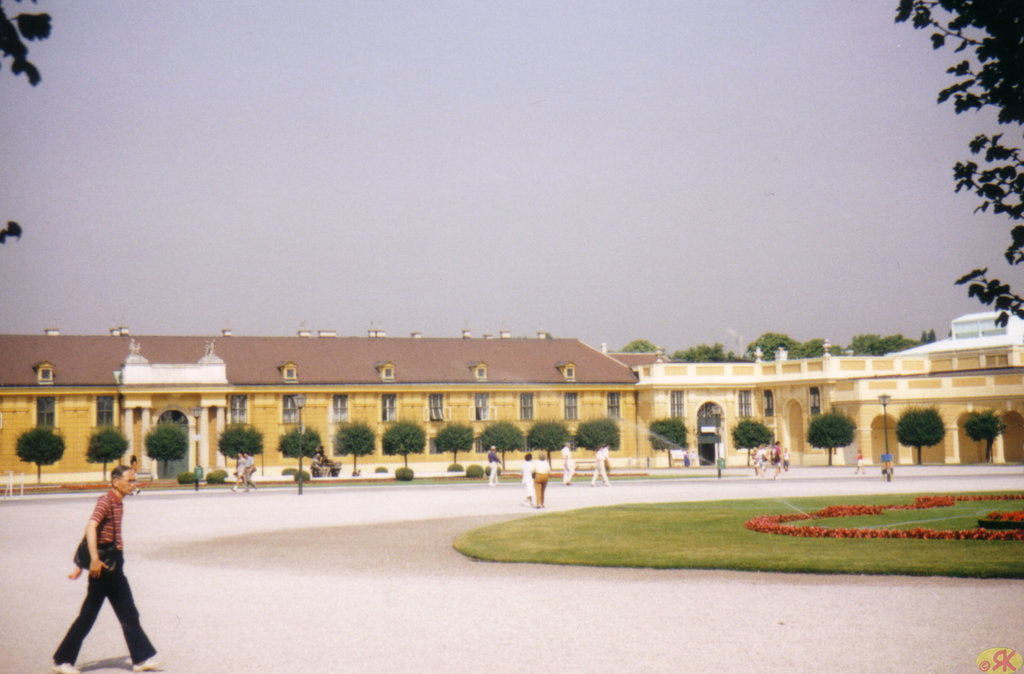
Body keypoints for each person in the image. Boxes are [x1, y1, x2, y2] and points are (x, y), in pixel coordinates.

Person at [53, 466, 163, 674]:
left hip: (113, 564)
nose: (134, 484)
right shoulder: (106, 501)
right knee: (96, 614)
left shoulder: (118, 502)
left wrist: (79, 564)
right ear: (115, 482)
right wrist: (92, 560)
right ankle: (62, 660)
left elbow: (94, 535)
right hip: (104, 567)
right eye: (130, 481)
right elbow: (90, 528)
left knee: (124, 612)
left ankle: (140, 658)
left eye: (134, 480)